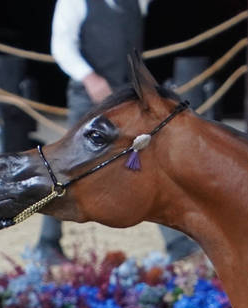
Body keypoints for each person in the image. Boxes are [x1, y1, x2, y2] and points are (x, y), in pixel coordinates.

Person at [35, 0, 199, 266]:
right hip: (90, 96)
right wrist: (89, 77)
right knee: (66, 167)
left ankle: (177, 243)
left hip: (128, 95)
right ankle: (47, 243)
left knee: (152, 160)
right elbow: (62, 46)